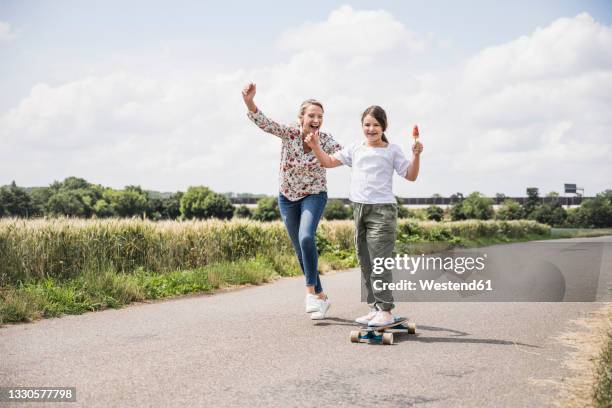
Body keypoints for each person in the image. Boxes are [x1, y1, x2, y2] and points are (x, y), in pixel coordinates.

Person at [305, 105, 423, 326]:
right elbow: (328, 162)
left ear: (384, 127)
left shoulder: (392, 150)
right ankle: (375, 307)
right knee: (365, 261)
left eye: (376, 125)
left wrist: (415, 156)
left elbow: (411, 175)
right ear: (362, 126)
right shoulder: (355, 148)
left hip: (383, 211)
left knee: (379, 261)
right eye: (367, 125)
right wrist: (315, 147)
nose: (371, 129)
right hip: (359, 209)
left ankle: (386, 310)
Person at [241, 82, 342, 320]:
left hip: (314, 195)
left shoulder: (326, 139)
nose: (316, 119)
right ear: (301, 118)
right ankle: (321, 297)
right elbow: (266, 124)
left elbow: (342, 157)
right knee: (300, 248)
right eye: (311, 115)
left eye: (320, 116)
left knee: (306, 236)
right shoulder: (290, 134)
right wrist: (249, 102)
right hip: (287, 197)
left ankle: (309, 295)